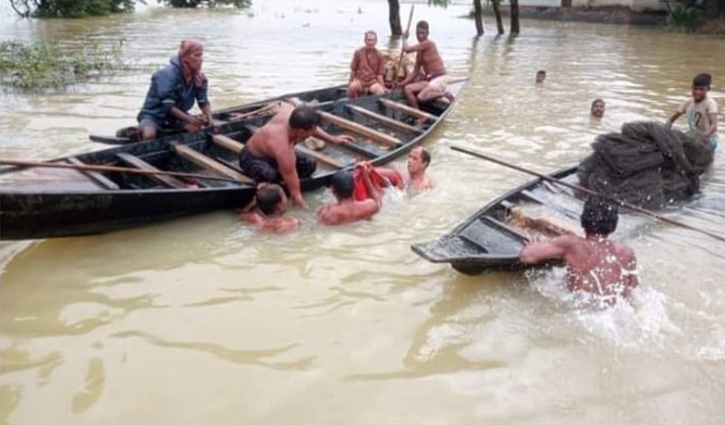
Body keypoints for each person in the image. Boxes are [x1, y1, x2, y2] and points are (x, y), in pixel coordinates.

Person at [519, 196, 638, 305]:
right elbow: (632, 286)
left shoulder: (571, 243)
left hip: (583, 306)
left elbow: (527, 257)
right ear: (613, 226)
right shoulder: (626, 252)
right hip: (617, 309)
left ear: (582, 220)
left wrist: (533, 245)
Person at [239, 103, 354, 209]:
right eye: (310, 131)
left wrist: (333, 139)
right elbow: (290, 173)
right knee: (269, 175)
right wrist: (297, 199)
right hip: (252, 157)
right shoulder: (282, 145)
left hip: (275, 156)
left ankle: (280, 176)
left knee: (309, 165)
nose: (313, 132)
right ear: (301, 132)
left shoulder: (293, 116)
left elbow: (312, 128)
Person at [137, 39, 215, 141]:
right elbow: (168, 105)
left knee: (195, 130)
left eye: (201, 56)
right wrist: (190, 119)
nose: (200, 60)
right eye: (196, 56)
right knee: (149, 135)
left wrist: (210, 119)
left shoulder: (200, 79)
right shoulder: (167, 74)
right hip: (154, 115)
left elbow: (203, 101)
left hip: (176, 117)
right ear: (185, 57)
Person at [397, 21, 454, 111]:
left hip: (440, 78)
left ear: (427, 33)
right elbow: (415, 73)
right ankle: (419, 114)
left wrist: (404, 38)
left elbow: (407, 49)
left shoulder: (428, 43)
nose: (420, 36)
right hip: (430, 81)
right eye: (418, 33)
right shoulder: (420, 52)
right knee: (407, 89)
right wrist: (401, 84)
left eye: (423, 33)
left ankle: (444, 94)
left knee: (421, 97)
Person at [667, 73, 719, 150]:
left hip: (709, 138)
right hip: (694, 135)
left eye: (701, 89)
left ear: (708, 89)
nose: (697, 92)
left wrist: (703, 137)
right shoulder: (688, 102)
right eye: (695, 88)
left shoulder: (710, 104)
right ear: (691, 88)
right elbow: (673, 118)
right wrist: (667, 127)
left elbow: (714, 126)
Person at [317, 166, 382, 226]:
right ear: (355, 187)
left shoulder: (327, 213)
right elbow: (378, 201)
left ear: (333, 191)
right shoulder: (369, 206)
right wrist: (366, 178)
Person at [347, 31, 387, 98]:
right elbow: (353, 69)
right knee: (352, 87)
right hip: (360, 80)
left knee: (380, 91)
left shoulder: (379, 55)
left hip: (372, 82)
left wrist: (382, 87)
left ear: (375, 42)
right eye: (368, 40)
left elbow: (380, 74)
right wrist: (349, 83)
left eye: (372, 40)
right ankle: (352, 102)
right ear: (365, 41)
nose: (370, 42)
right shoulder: (358, 52)